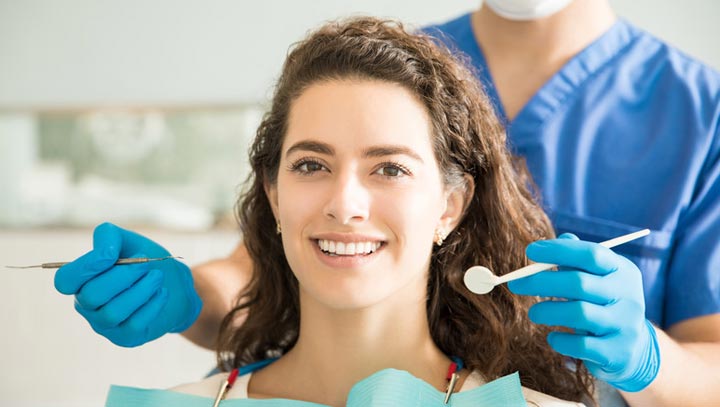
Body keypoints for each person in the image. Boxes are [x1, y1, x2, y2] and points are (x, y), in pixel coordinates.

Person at [55, 0, 720, 405]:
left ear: (452, 206)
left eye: (391, 168)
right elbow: (264, 266)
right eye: (312, 164)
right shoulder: (390, 65)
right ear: (272, 189)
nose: (347, 201)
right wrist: (188, 294)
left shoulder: (695, 112)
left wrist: (649, 359)